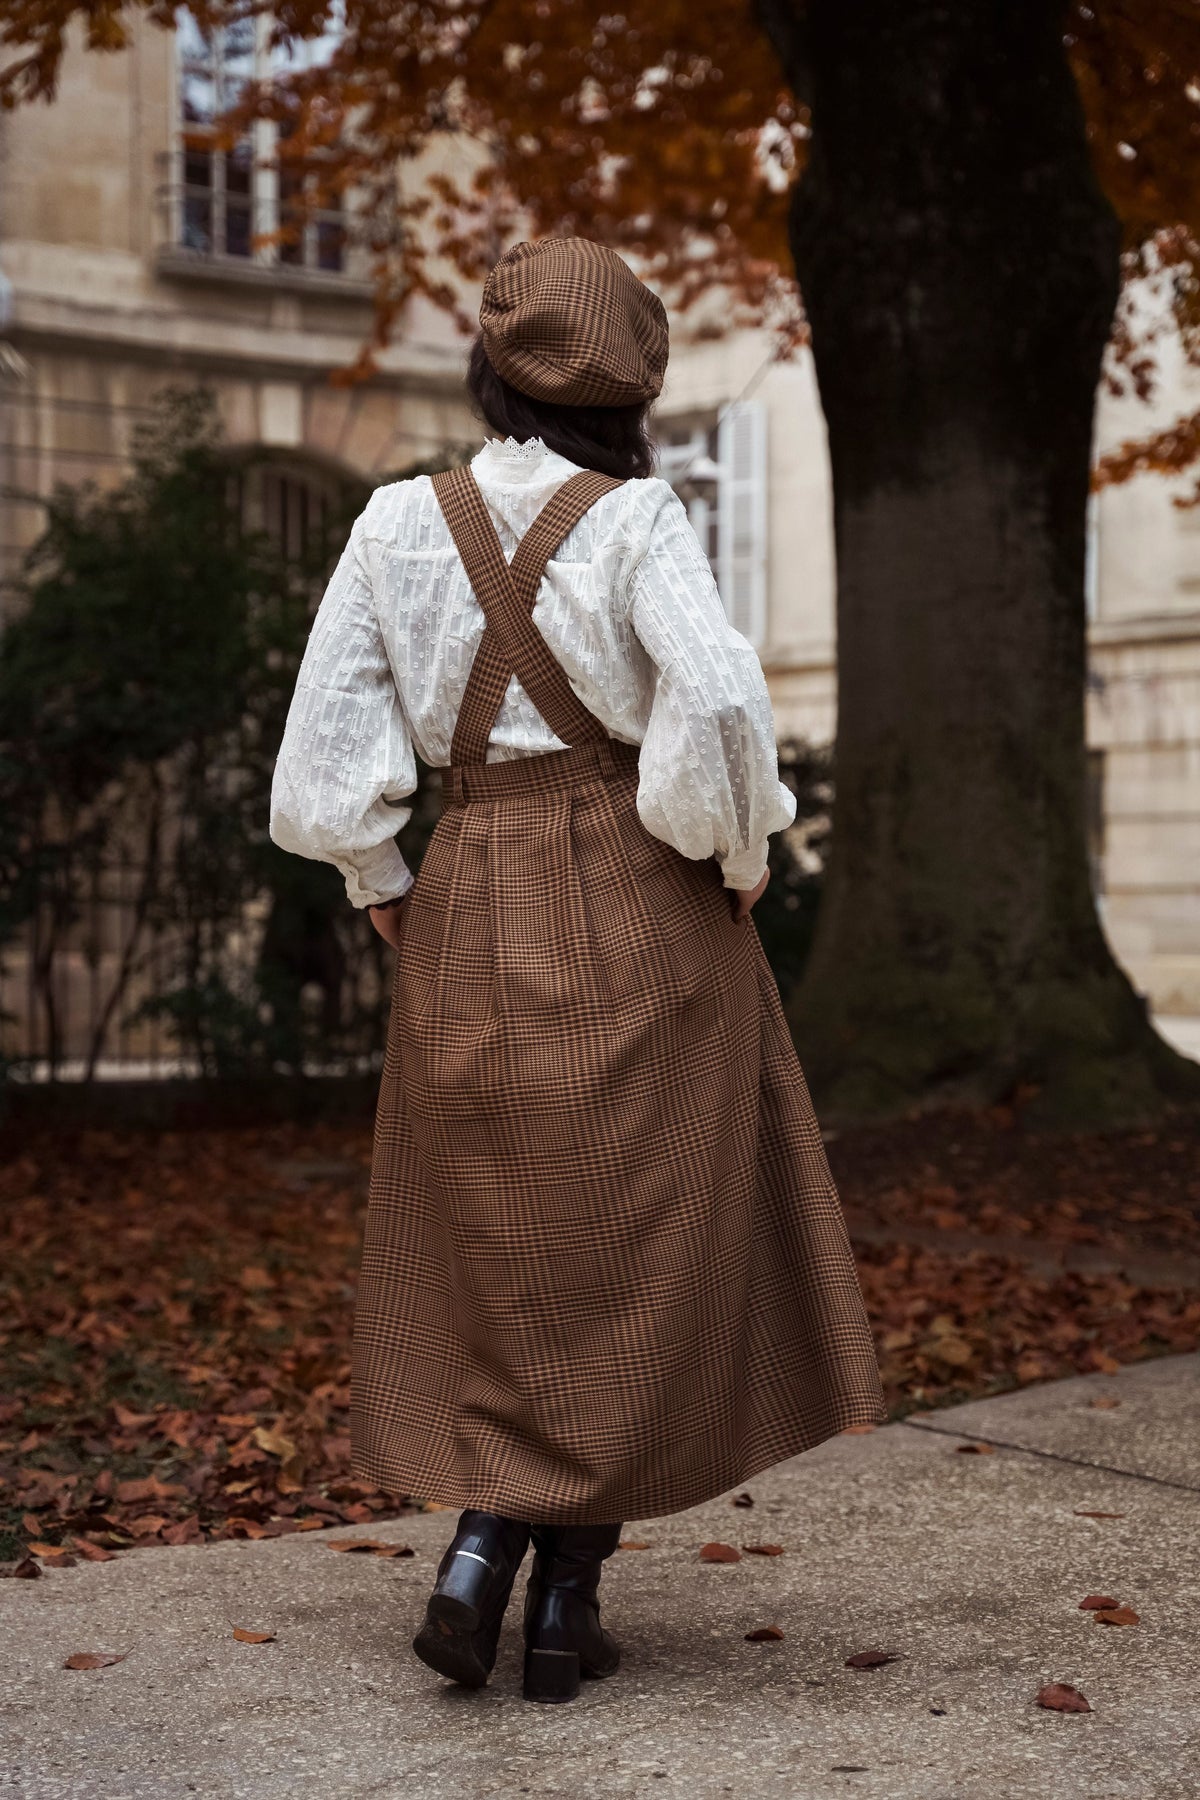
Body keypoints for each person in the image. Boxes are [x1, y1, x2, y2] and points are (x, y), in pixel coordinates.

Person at [270, 236, 885, 1705]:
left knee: (496, 1236)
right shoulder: (636, 523)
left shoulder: (391, 524)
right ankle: (558, 1607)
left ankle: (487, 1552)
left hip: (467, 887)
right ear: (632, 386)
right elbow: (723, 705)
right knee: (637, 1244)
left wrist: (379, 879)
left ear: (494, 367)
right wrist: (734, 858)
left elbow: (322, 758)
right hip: (635, 884)